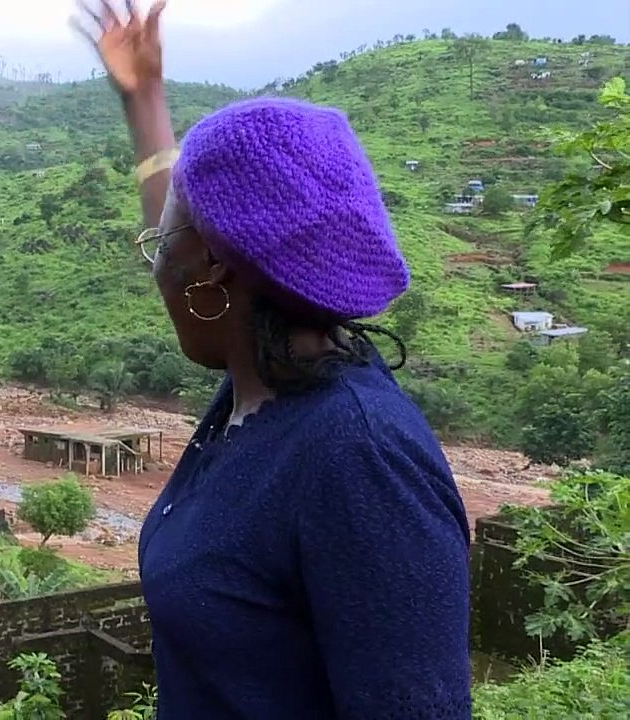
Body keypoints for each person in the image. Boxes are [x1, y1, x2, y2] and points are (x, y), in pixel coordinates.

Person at [75, 2, 472, 718]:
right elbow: (187, 221)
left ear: (213, 270)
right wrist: (145, 98)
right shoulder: (267, 383)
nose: (156, 262)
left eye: (159, 247)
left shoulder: (359, 461)